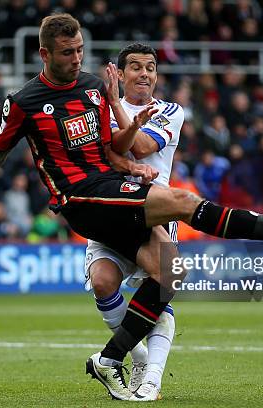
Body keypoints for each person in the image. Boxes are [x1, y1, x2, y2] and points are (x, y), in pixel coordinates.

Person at [0, 13, 263, 401]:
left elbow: (108, 151)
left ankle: (110, 360)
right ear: (44, 54)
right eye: (66, 52)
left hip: (113, 186)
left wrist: (130, 165)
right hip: (79, 196)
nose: (76, 59)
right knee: (181, 203)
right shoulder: (25, 101)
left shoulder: (95, 88)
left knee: (170, 272)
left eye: (79, 49)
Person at [84, 43, 182, 401]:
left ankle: (152, 379)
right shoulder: (99, 109)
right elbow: (103, 156)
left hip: (154, 214)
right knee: (103, 282)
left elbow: (140, 146)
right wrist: (111, 105)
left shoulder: (170, 111)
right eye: (136, 67)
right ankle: (136, 358)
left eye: (151, 68)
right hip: (110, 210)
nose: (145, 74)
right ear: (121, 74)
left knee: (159, 294)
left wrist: (114, 109)